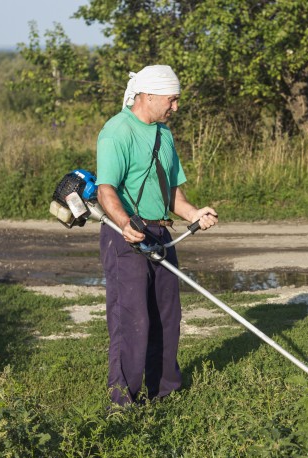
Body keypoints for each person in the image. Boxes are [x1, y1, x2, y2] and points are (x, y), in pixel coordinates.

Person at [96, 65, 218, 407]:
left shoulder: (164, 136)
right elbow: (106, 190)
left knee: (167, 315)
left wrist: (193, 213)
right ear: (148, 96)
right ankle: (122, 401)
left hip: (161, 233)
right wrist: (124, 224)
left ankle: (165, 392)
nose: (176, 107)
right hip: (125, 234)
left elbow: (172, 194)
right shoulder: (116, 131)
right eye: (172, 100)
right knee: (132, 318)